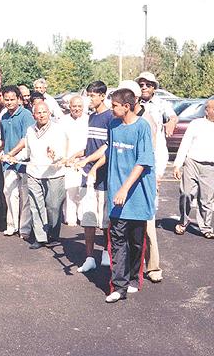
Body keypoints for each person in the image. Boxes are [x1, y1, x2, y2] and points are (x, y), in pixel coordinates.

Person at [104, 88, 156, 303]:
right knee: (117, 241)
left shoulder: (142, 127)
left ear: (126, 106)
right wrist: (85, 160)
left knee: (135, 242)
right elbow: (108, 151)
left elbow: (143, 161)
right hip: (117, 197)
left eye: (115, 105)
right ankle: (119, 286)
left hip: (137, 195)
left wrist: (125, 188)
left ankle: (134, 276)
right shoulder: (113, 125)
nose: (111, 108)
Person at [120, 80, 163, 284]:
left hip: (144, 180)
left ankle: (153, 267)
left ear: (133, 100)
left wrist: (158, 176)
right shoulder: (121, 120)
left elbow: (152, 153)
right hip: (124, 180)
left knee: (147, 227)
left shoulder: (145, 120)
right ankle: (126, 269)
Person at [173, 99, 214, 239]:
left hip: (210, 167)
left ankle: (206, 227)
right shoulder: (196, 124)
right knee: (186, 194)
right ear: (207, 110)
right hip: (192, 163)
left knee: (206, 199)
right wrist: (178, 164)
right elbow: (185, 144)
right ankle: (183, 222)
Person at [11, 102, 68, 249]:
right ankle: (40, 237)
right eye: (38, 112)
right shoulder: (30, 130)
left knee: (54, 207)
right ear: (34, 115)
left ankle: (54, 234)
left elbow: (61, 153)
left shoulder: (58, 129)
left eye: (44, 112)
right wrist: (15, 157)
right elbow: (28, 152)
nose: (41, 115)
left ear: (49, 113)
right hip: (34, 173)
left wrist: (55, 155)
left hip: (54, 173)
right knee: (36, 206)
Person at [71, 81, 113, 273]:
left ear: (102, 96)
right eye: (88, 95)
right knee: (88, 217)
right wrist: (76, 156)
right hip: (87, 174)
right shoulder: (91, 118)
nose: (89, 99)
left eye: (92, 95)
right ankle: (89, 257)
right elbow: (90, 145)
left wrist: (92, 164)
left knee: (105, 219)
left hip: (103, 175)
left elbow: (106, 148)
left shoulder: (111, 117)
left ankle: (106, 252)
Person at [0, 86, 34, 238]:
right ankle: (12, 225)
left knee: (25, 196)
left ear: (19, 99)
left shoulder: (26, 115)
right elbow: (3, 141)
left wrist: (11, 154)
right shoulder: (4, 116)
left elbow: (25, 140)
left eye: (12, 99)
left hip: (24, 161)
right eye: (7, 99)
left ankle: (24, 229)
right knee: (9, 194)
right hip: (8, 163)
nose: (9, 102)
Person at [60, 95, 88, 226]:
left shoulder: (88, 119)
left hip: (84, 159)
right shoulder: (63, 121)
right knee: (70, 190)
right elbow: (61, 140)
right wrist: (64, 158)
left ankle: (82, 216)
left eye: (79, 106)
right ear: (69, 107)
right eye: (74, 106)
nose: (76, 109)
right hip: (68, 161)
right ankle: (70, 217)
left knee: (83, 190)